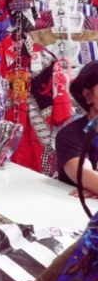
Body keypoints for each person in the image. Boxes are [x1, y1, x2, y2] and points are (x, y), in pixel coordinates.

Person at [55, 61, 98, 195]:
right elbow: (84, 174)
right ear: (87, 95)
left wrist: (93, 186)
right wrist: (91, 182)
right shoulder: (70, 135)